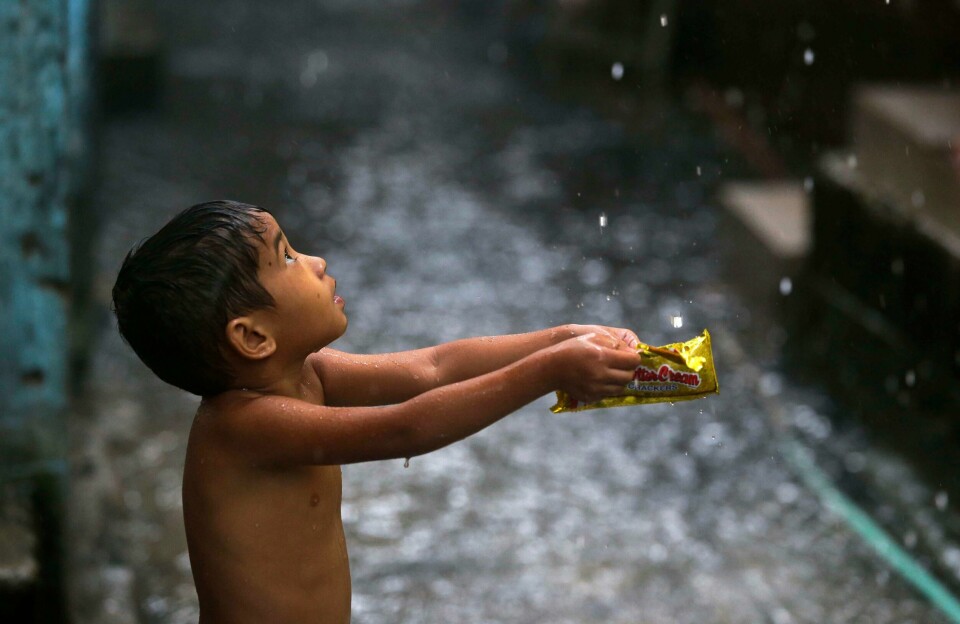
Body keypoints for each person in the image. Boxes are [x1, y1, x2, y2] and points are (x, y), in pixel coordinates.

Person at [112, 200, 641, 624]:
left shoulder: (307, 375)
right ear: (253, 337)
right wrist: (549, 372)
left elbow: (434, 366)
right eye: (289, 257)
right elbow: (406, 427)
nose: (316, 261)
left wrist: (564, 338)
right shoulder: (245, 426)